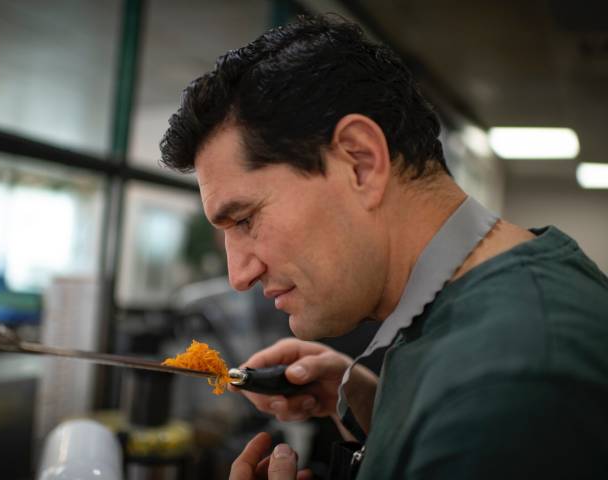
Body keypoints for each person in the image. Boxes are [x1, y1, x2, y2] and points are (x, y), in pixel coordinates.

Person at [159, 15, 608, 480]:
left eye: (247, 218)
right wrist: (381, 404)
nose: (239, 275)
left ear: (360, 162)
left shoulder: (508, 383)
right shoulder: (474, 310)